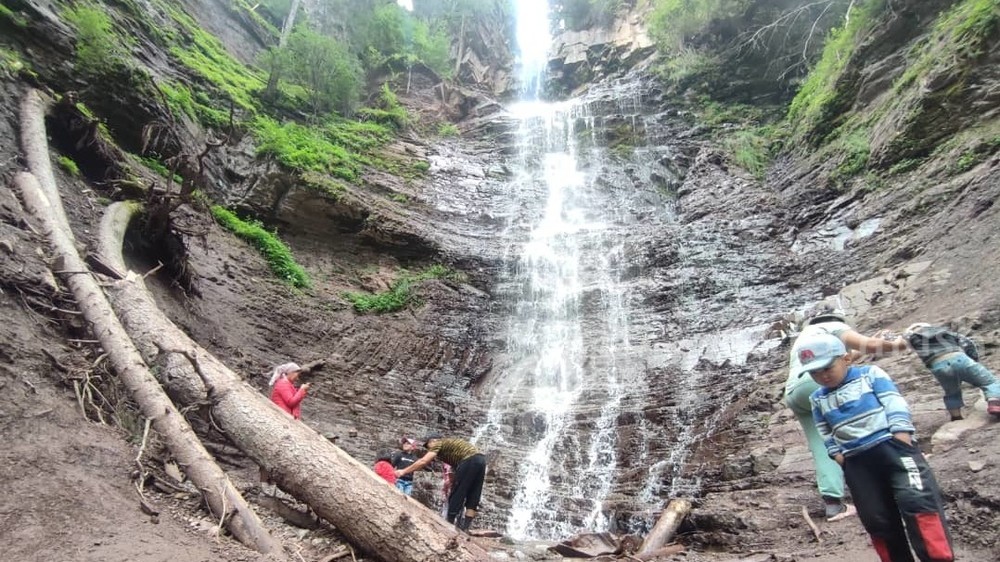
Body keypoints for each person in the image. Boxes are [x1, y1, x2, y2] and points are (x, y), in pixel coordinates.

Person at [802, 331, 954, 562]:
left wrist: (901, 434)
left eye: (827, 368)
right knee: (877, 520)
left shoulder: (870, 374)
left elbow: (893, 401)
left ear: (845, 358)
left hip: (894, 450)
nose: (823, 376)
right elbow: (823, 429)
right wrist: (837, 454)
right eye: (815, 372)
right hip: (857, 462)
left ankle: (938, 558)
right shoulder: (817, 399)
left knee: (919, 505)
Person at [784, 304, 909, 521]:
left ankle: (833, 503)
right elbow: (869, 346)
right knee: (866, 414)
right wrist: (901, 344)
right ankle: (890, 464)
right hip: (817, 384)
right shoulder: (832, 325)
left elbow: (841, 361)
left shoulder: (804, 337)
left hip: (795, 391)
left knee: (821, 442)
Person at [904, 322, 1000, 419]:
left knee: (952, 393)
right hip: (959, 358)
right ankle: (994, 403)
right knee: (989, 382)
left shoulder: (913, 340)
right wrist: (974, 359)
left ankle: (956, 417)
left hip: (938, 366)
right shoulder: (944, 331)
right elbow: (967, 343)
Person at [395, 434, 486, 531]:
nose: (427, 449)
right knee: (474, 494)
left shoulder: (438, 444)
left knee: (458, 493)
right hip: (481, 461)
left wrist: (403, 471)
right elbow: (455, 470)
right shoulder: (451, 448)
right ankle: (466, 527)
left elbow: (423, 461)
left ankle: (449, 524)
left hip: (469, 461)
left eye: (427, 446)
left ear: (432, 441)